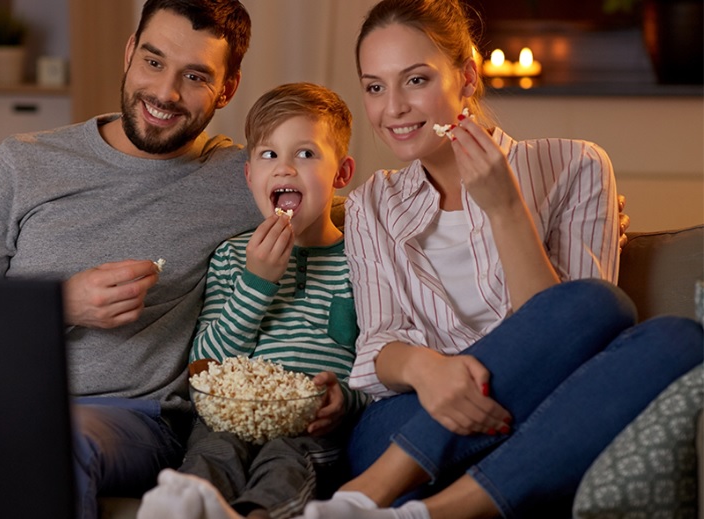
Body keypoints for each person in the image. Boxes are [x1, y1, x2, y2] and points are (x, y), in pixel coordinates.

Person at [293, 1, 704, 518]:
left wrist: (505, 208)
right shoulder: (372, 203)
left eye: (415, 80)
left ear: (466, 76)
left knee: (668, 336)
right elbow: (378, 343)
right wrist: (429, 371)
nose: (391, 107)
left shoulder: (575, 166)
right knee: (599, 306)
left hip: (537, 417)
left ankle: (418, 511)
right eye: (375, 86)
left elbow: (574, 333)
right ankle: (380, 485)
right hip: (404, 418)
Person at [0, 1, 258, 517]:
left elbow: (342, 202)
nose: (165, 93)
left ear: (228, 88)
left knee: (55, 445)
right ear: (129, 53)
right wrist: (59, 305)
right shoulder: (25, 161)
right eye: (153, 62)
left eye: (195, 76)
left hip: (133, 420)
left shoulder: (245, 179)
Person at [136, 82, 370, 519]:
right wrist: (256, 284)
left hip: (308, 426)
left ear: (341, 174)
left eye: (306, 154)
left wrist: (347, 403)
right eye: (268, 155)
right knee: (212, 451)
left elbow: (374, 365)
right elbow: (204, 365)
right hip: (229, 416)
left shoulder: (362, 263)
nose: (285, 169)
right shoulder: (230, 257)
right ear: (250, 177)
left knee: (287, 459)